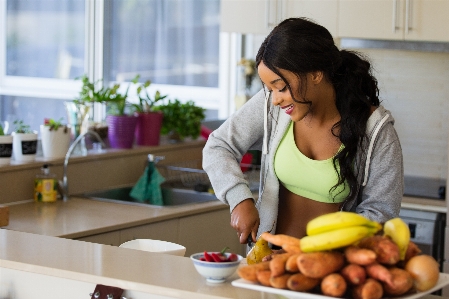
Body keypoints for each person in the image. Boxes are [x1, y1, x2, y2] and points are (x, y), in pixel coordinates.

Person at [202, 18, 403, 247]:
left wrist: (312, 255)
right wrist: (239, 199)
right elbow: (218, 146)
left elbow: (381, 213)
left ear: (316, 74)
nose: (275, 99)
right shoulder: (273, 107)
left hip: (331, 272)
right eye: (270, 89)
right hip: (269, 260)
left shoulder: (376, 131)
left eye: (282, 87)